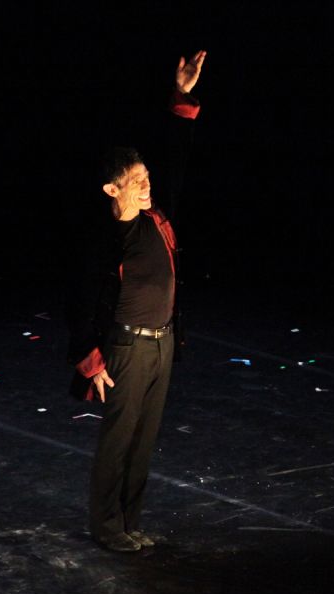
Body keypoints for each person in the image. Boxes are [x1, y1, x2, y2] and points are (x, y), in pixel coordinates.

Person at [66, 49, 207, 552]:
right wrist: (90, 360)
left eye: (147, 178)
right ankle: (107, 527)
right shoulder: (106, 242)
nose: (147, 186)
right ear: (112, 188)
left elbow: (177, 157)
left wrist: (182, 96)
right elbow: (80, 303)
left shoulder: (156, 219)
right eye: (137, 181)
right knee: (119, 439)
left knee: (144, 441)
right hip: (126, 349)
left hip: (162, 344)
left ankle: (129, 521)